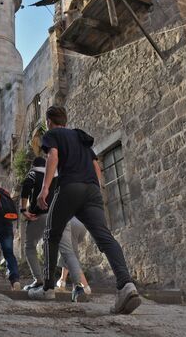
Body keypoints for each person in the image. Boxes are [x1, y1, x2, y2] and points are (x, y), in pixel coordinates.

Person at [28, 106, 141, 315]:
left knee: (51, 235)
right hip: (91, 190)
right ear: (65, 120)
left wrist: (44, 190)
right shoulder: (79, 137)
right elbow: (95, 164)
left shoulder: (52, 134)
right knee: (105, 237)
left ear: (48, 122)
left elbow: (53, 155)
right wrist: (94, 190)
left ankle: (48, 288)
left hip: (70, 187)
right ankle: (126, 285)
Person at [20, 157, 88, 302]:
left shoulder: (33, 173)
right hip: (62, 216)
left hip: (39, 216)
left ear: (33, 165)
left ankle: (38, 280)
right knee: (68, 252)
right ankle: (78, 287)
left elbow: (26, 186)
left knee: (30, 246)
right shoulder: (58, 175)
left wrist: (23, 209)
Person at [55, 217, 92, 295]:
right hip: (81, 224)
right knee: (68, 253)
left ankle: (85, 286)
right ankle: (62, 280)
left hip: (68, 223)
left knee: (70, 255)